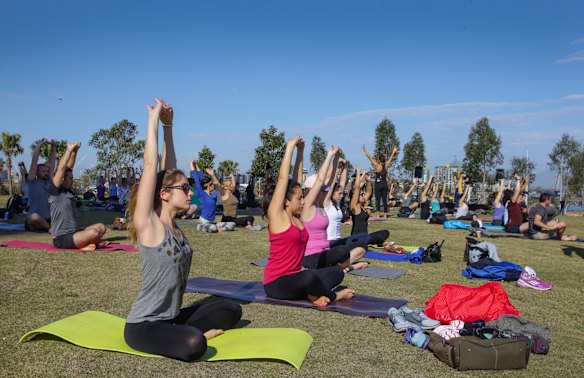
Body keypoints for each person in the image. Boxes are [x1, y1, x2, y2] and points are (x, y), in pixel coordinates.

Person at [124, 98, 241, 361]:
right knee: (194, 344)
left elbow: (168, 168)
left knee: (232, 310)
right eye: (184, 188)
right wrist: (153, 120)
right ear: (163, 194)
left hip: (172, 317)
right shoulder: (149, 224)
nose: (190, 192)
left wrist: (169, 126)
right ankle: (188, 334)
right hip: (145, 325)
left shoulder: (173, 225)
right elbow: (152, 167)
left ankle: (181, 329)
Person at [262, 135, 355, 308]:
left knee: (336, 273)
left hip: (296, 278)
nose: (303, 201)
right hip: (276, 284)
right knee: (309, 277)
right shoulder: (278, 217)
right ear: (286, 201)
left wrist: (301, 151)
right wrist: (290, 147)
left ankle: (312, 293)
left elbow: (298, 179)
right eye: (299, 198)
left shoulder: (297, 217)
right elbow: (284, 179)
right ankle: (333, 296)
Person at [302, 147, 367, 271]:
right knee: (341, 252)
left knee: (360, 246)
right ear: (312, 189)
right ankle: (347, 267)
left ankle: (340, 267)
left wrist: (336, 159)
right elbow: (321, 179)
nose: (325, 190)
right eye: (321, 188)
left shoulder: (321, 204)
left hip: (325, 251)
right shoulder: (307, 206)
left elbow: (331, 181)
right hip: (311, 257)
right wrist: (330, 155)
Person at [49, 141, 107, 250]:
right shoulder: (55, 191)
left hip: (75, 233)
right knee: (94, 233)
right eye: (71, 179)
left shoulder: (68, 191)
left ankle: (88, 243)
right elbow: (62, 168)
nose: (73, 181)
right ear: (62, 180)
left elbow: (69, 167)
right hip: (62, 239)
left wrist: (75, 151)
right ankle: (86, 245)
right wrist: (69, 150)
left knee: (101, 227)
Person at [348, 168, 390, 245]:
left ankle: (371, 241)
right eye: (361, 195)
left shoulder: (361, 205)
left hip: (364, 237)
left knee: (385, 232)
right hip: (356, 238)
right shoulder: (354, 206)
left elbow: (369, 192)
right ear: (355, 196)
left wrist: (368, 180)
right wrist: (358, 173)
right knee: (380, 237)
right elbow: (357, 188)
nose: (363, 196)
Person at [25, 139, 56, 232]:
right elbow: (34, 162)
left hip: (48, 219)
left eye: (47, 171)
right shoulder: (32, 182)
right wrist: (39, 145)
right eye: (43, 171)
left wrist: (53, 148)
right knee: (34, 217)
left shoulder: (49, 182)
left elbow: (52, 163)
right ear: (37, 173)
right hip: (35, 220)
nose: (46, 173)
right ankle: (50, 229)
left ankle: (48, 227)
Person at [362, 145, 398, 219]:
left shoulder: (377, 165)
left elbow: (370, 158)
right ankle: (385, 215)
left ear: (379, 160)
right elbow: (391, 158)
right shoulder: (386, 165)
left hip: (378, 184)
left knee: (377, 200)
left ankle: (378, 214)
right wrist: (393, 151)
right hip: (384, 184)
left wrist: (365, 151)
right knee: (385, 200)